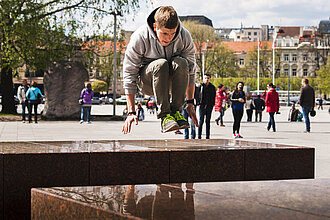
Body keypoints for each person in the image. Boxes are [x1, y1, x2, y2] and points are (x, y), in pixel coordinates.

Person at [122, 6, 198, 134]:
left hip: (172, 83)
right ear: (155, 26)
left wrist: (190, 103)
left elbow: (191, 72)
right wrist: (131, 111)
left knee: (182, 63)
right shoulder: (140, 37)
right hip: (148, 83)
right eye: (164, 33)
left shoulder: (184, 36)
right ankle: (165, 116)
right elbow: (129, 73)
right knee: (160, 64)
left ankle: (176, 113)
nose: (168, 38)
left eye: (172, 34)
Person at [197, 74, 216, 139]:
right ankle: (199, 136)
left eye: (208, 78)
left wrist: (212, 104)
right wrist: (198, 103)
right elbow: (197, 95)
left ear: (210, 79)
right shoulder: (200, 86)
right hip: (202, 105)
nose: (206, 79)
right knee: (201, 121)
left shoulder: (212, 87)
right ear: (203, 79)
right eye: (205, 78)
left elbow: (214, 96)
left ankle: (207, 136)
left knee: (208, 121)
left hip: (209, 106)